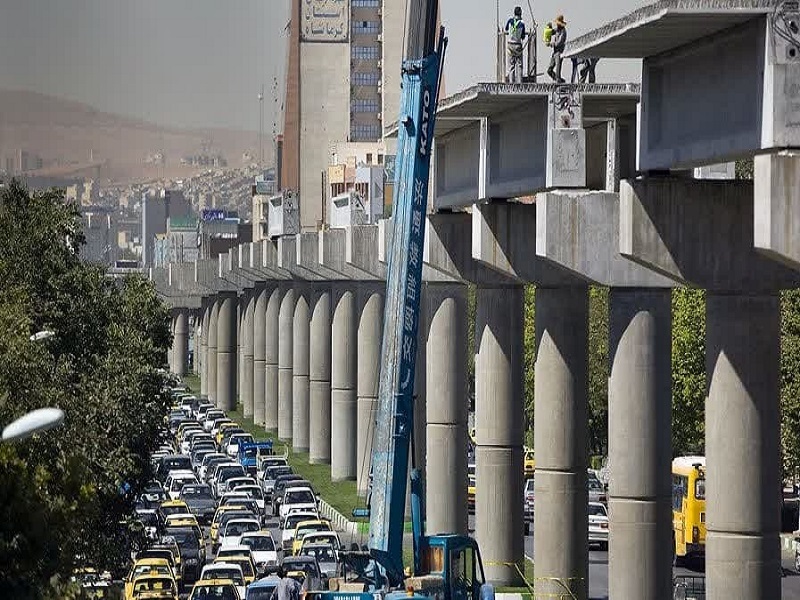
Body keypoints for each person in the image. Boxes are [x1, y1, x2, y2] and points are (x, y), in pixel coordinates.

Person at [505, 6, 527, 83]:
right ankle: (520, 82)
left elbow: (506, 29)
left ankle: (511, 83)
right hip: (518, 45)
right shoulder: (522, 23)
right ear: (520, 13)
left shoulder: (510, 20)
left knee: (511, 65)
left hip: (510, 45)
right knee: (519, 65)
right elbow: (523, 36)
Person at [547, 14, 567, 83]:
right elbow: (552, 32)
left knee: (558, 72)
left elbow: (559, 43)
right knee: (549, 70)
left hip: (559, 52)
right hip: (555, 52)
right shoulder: (557, 30)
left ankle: (558, 81)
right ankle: (560, 81)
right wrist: (549, 28)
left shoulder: (563, 32)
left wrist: (551, 44)